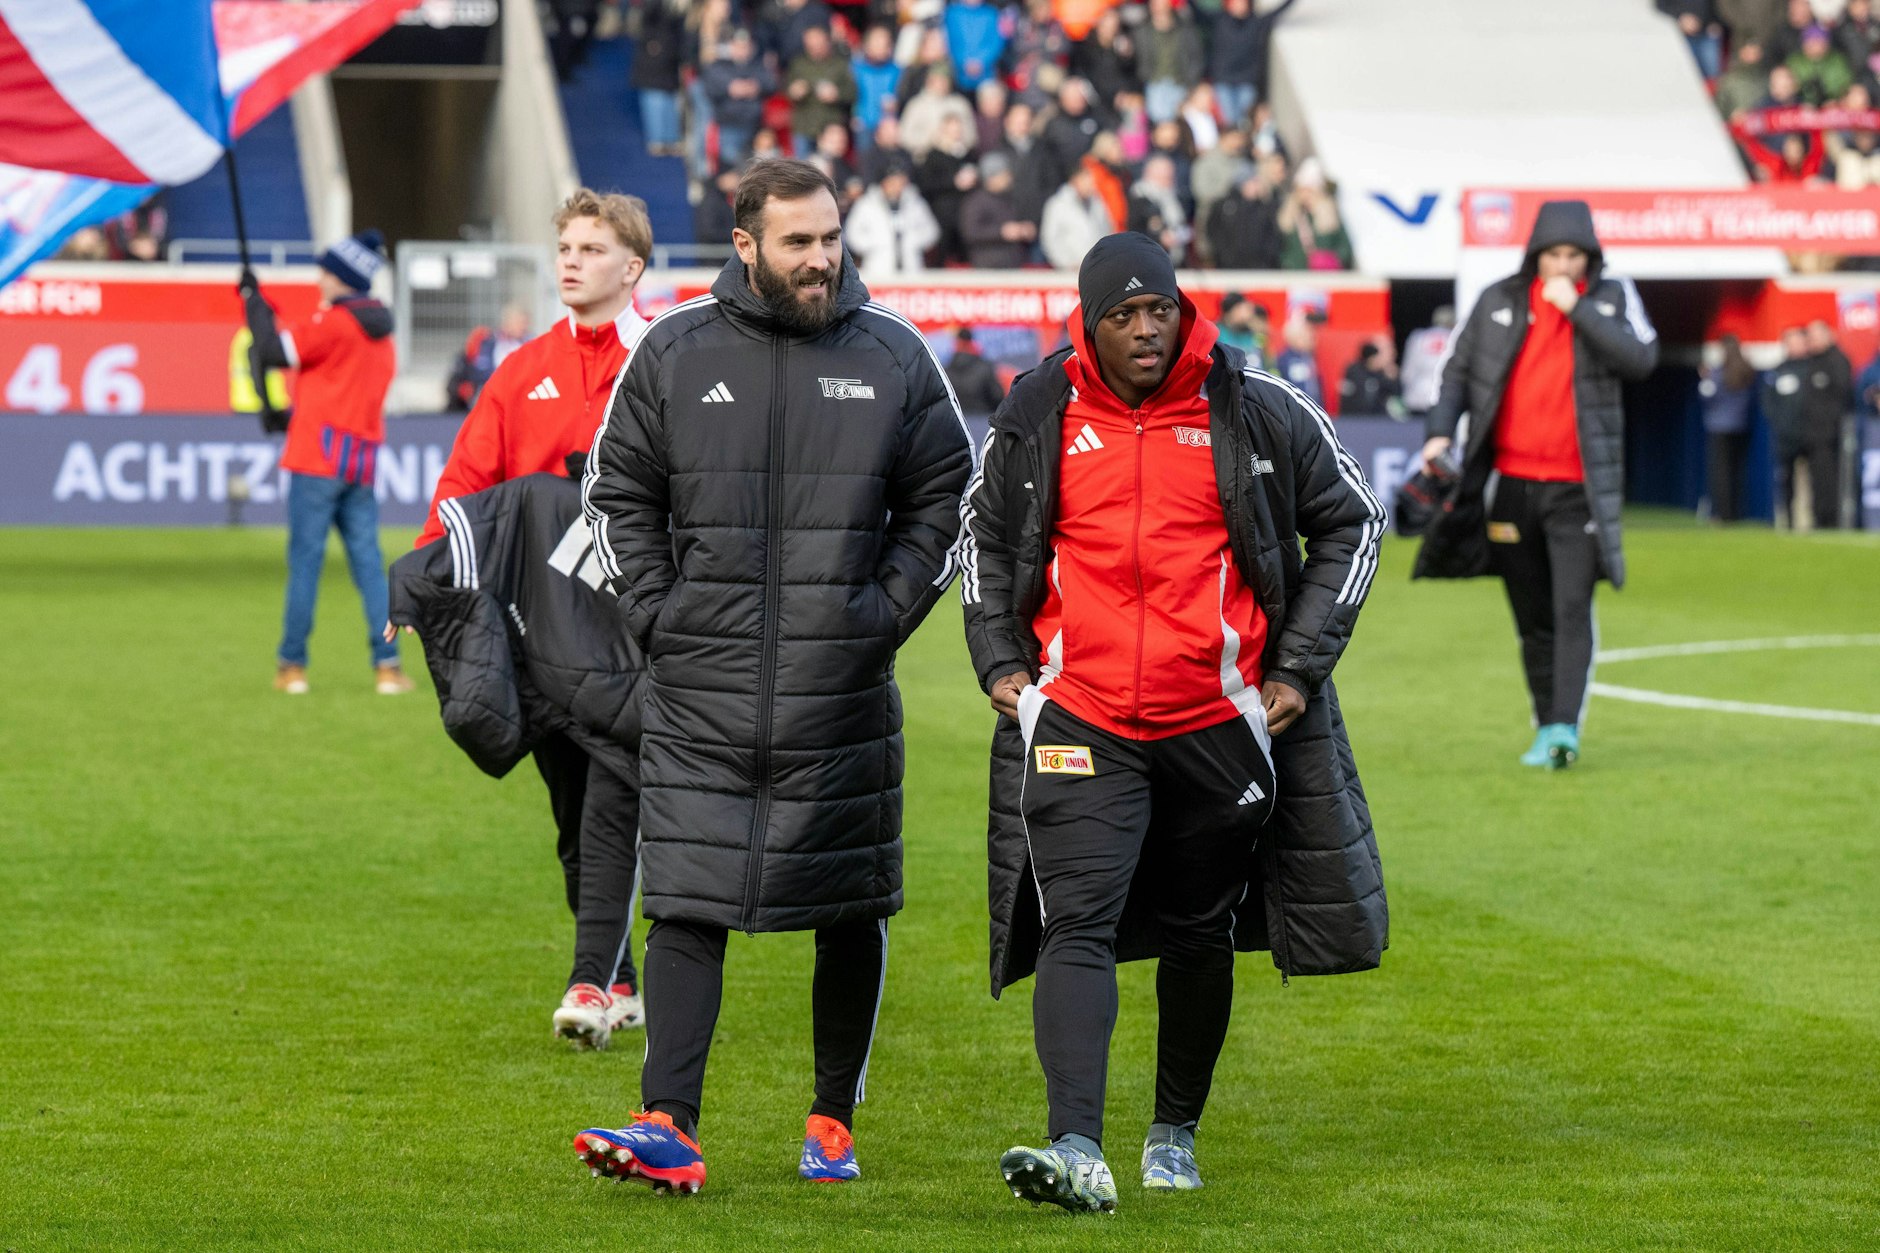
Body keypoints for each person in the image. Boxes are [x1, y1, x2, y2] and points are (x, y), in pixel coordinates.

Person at [959, 231, 1387, 1213]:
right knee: (1075, 918)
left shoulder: (1252, 401)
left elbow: (1352, 521)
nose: (1146, 330)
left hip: (1219, 720)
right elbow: (978, 534)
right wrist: (1000, 663)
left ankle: (1171, 1131)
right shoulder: (1036, 409)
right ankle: (1075, 1144)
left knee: (1199, 928)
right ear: (1089, 322)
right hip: (1081, 716)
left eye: (1160, 310)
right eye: (1123, 315)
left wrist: (1293, 667)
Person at [573, 159, 972, 1193]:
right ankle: (667, 1121)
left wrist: (879, 615)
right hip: (699, 686)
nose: (821, 258)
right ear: (744, 245)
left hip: (837, 686)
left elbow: (949, 499)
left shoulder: (890, 353)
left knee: (851, 904)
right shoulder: (674, 351)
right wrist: (660, 614)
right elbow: (613, 491)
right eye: (798, 242)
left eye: (830, 238)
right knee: (685, 900)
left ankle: (830, 1122)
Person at [416, 190, 655, 1046]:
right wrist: (425, 576)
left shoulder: (668, 359)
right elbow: (465, 483)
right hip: (543, 637)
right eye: (564, 245)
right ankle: (621, 979)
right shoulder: (523, 369)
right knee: (571, 814)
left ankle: (591, 980)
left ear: (631, 266)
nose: (570, 260)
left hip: (634, 637)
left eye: (590, 248)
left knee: (613, 801)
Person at [1414, 200, 1659, 769]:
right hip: (1512, 486)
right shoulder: (1499, 298)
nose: (1563, 265)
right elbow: (1458, 369)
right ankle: (1547, 723)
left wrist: (1580, 310)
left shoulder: (1613, 296)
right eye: (1554, 254)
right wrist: (1438, 434)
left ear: (1589, 257)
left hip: (1579, 489)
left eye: (1574, 255)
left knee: (1572, 608)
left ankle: (1564, 730)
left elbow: (1641, 359)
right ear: (1536, 254)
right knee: (1531, 616)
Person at [242, 229, 411, 697]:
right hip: (359, 463)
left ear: (341, 277)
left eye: (325, 271)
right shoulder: (383, 337)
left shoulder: (333, 323)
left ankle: (292, 666)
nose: (319, 279)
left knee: (305, 566)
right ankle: (388, 667)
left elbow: (274, 352)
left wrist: (254, 305)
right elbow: (344, 393)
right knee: (369, 566)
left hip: (315, 462)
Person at [845, 159, 942, 276]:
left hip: (911, 269)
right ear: (883, 182)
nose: (897, 186)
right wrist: (877, 242)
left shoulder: (915, 202)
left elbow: (932, 231)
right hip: (877, 269)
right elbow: (852, 235)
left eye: (901, 181)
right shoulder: (867, 204)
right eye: (893, 182)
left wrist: (913, 240)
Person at [1801, 318, 1852, 528]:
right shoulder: (1811, 362)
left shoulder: (1838, 361)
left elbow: (1841, 398)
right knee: (1815, 481)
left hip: (1829, 435)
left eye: (1813, 336)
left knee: (1829, 480)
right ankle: (1819, 519)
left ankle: (1829, 521)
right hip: (1810, 435)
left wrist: (1829, 427)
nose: (1810, 341)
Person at [1700, 334, 1757, 523]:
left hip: (1719, 427)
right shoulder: (1745, 370)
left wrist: (1705, 378)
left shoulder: (1717, 373)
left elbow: (1708, 397)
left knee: (1720, 472)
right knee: (1736, 471)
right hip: (1740, 426)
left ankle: (1722, 514)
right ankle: (1734, 513)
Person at [946, 326, 1008, 432]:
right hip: (982, 425)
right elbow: (998, 397)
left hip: (955, 428)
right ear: (972, 343)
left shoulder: (945, 371)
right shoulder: (985, 368)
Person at [1400, 305, 1455, 415]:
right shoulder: (1454, 338)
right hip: (1443, 398)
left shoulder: (1418, 337)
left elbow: (1407, 372)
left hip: (1417, 396)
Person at [1338, 338, 1401, 417]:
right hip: (1355, 421)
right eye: (1386, 351)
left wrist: (1392, 381)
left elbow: (1397, 407)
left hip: (1381, 423)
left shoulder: (1389, 375)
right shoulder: (1355, 371)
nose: (1391, 355)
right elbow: (1350, 403)